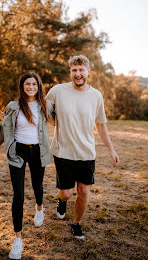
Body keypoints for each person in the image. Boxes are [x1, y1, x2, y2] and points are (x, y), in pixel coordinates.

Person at [0, 72, 54, 260]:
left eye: (34, 84)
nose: (31, 87)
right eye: (27, 84)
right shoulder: (13, 107)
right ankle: (18, 239)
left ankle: (39, 207)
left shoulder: (45, 106)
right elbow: (3, 129)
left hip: (38, 151)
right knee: (18, 195)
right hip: (17, 152)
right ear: (22, 86)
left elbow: (63, 117)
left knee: (37, 186)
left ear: (39, 87)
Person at [46, 55, 119, 240]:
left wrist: (111, 149)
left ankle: (77, 224)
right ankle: (61, 201)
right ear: (70, 72)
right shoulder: (57, 91)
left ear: (88, 72)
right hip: (63, 151)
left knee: (84, 191)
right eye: (74, 70)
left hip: (86, 153)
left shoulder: (96, 96)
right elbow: (43, 110)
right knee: (67, 193)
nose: (78, 74)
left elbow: (101, 124)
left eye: (81, 70)